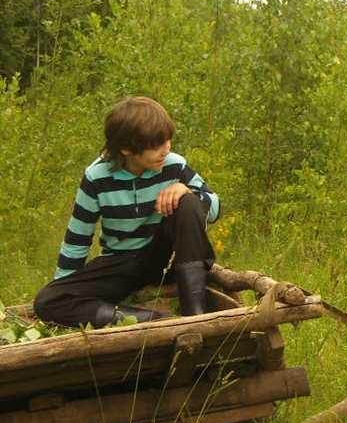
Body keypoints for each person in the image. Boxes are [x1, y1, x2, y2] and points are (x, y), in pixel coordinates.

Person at [33, 96, 221, 328]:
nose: (166, 149)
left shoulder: (174, 165)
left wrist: (184, 189)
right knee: (46, 301)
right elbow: (77, 239)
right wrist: (66, 287)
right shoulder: (96, 177)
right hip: (120, 264)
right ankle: (153, 321)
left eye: (168, 140)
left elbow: (214, 209)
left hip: (163, 260)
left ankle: (196, 314)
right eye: (156, 145)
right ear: (126, 149)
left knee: (190, 201)